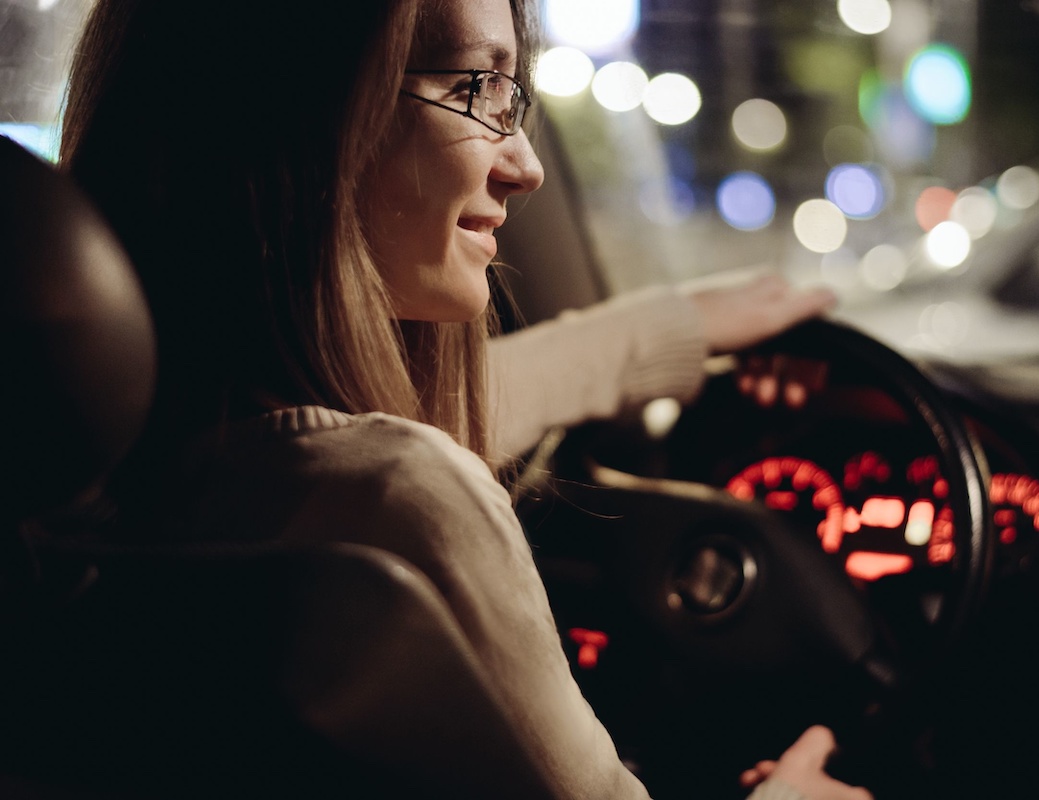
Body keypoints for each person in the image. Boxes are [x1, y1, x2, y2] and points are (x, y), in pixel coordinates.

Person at [60, 0, 870, 798]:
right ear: (303, 113)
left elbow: (358, 435)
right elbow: (394, 470)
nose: (526, 166)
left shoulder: (80, 485)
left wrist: (672, 329)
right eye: (475, 89)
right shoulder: (403, 499)